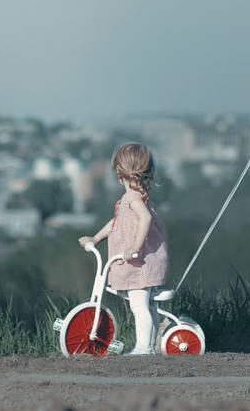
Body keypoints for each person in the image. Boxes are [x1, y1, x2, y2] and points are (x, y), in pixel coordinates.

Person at [78, 142, 168, 355]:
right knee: (148, 305)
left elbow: (145, 219)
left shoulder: (133, 199)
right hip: (145, 262)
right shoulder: (137, 198)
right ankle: (151, 346)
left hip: (138, 263)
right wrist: (96, 238)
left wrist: (134, 248)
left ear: (120, 173)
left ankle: (143, 348)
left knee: (139, 306)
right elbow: (117, 223)